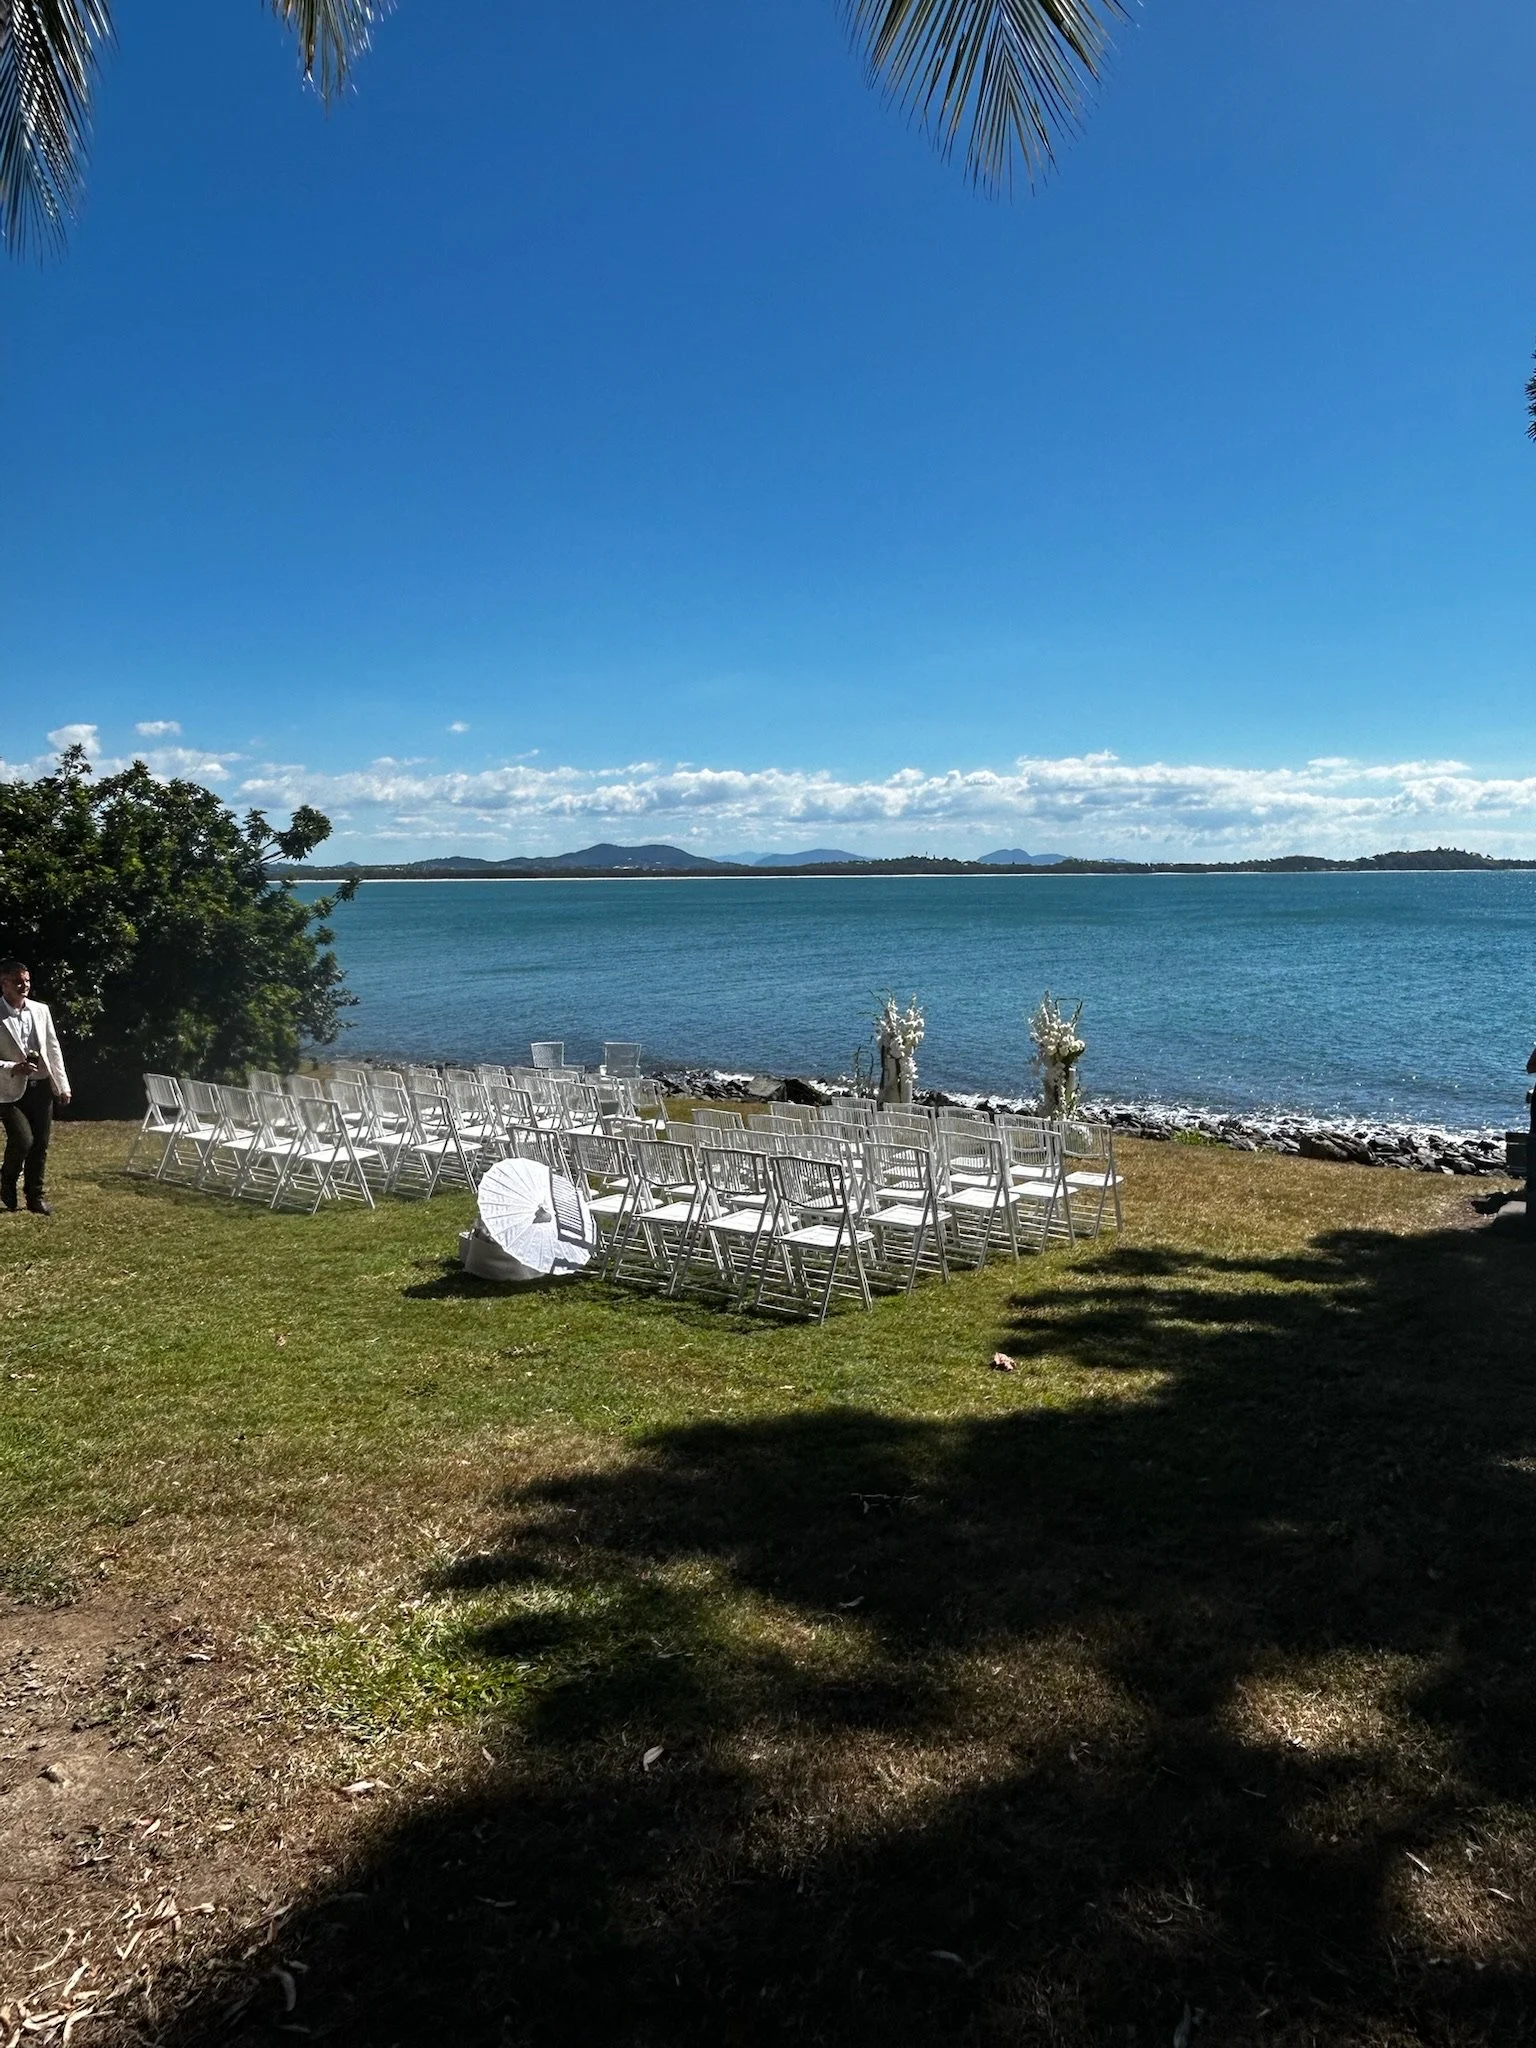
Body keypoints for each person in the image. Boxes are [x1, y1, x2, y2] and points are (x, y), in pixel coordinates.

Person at [0, 961, 71, 1215]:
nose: (24, 986)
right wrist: (12, 1066)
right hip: (8, 1090)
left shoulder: (41, 1011)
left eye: (27, 981)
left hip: (40, 1086)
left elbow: (53, 1049)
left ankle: (35, 1197)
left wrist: (62, 1085)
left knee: (40, 1144)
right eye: (18, 981)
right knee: (23, 1139)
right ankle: (6, 1179)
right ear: (4, 982)